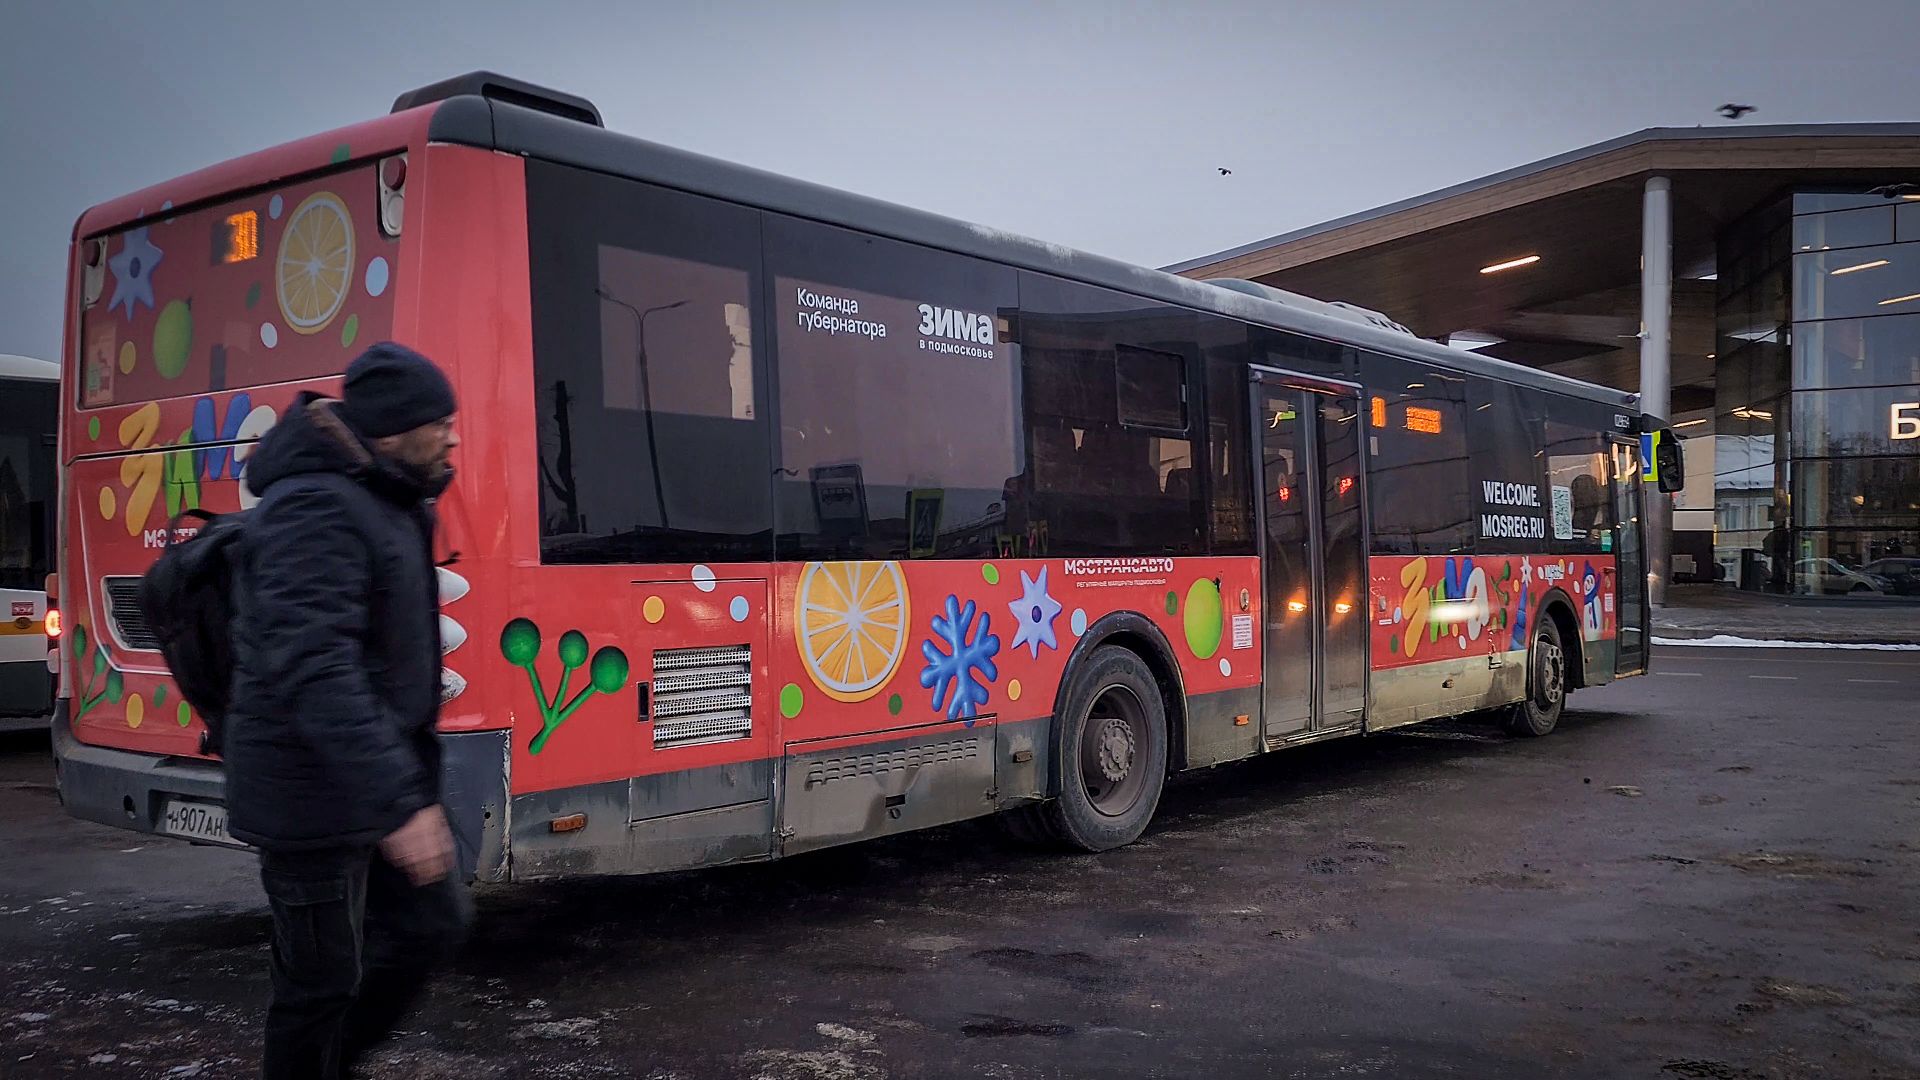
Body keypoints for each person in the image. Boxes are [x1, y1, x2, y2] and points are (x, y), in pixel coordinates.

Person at [224, 342, 471, 1080]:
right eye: (440, 422)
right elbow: (315, 665)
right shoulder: (313, 510)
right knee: (318, 986)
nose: (454, 436)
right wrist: (401, 804)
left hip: (368, 780)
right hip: (304, 791)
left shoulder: (388, 498)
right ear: (393, 431)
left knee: (432, 925)